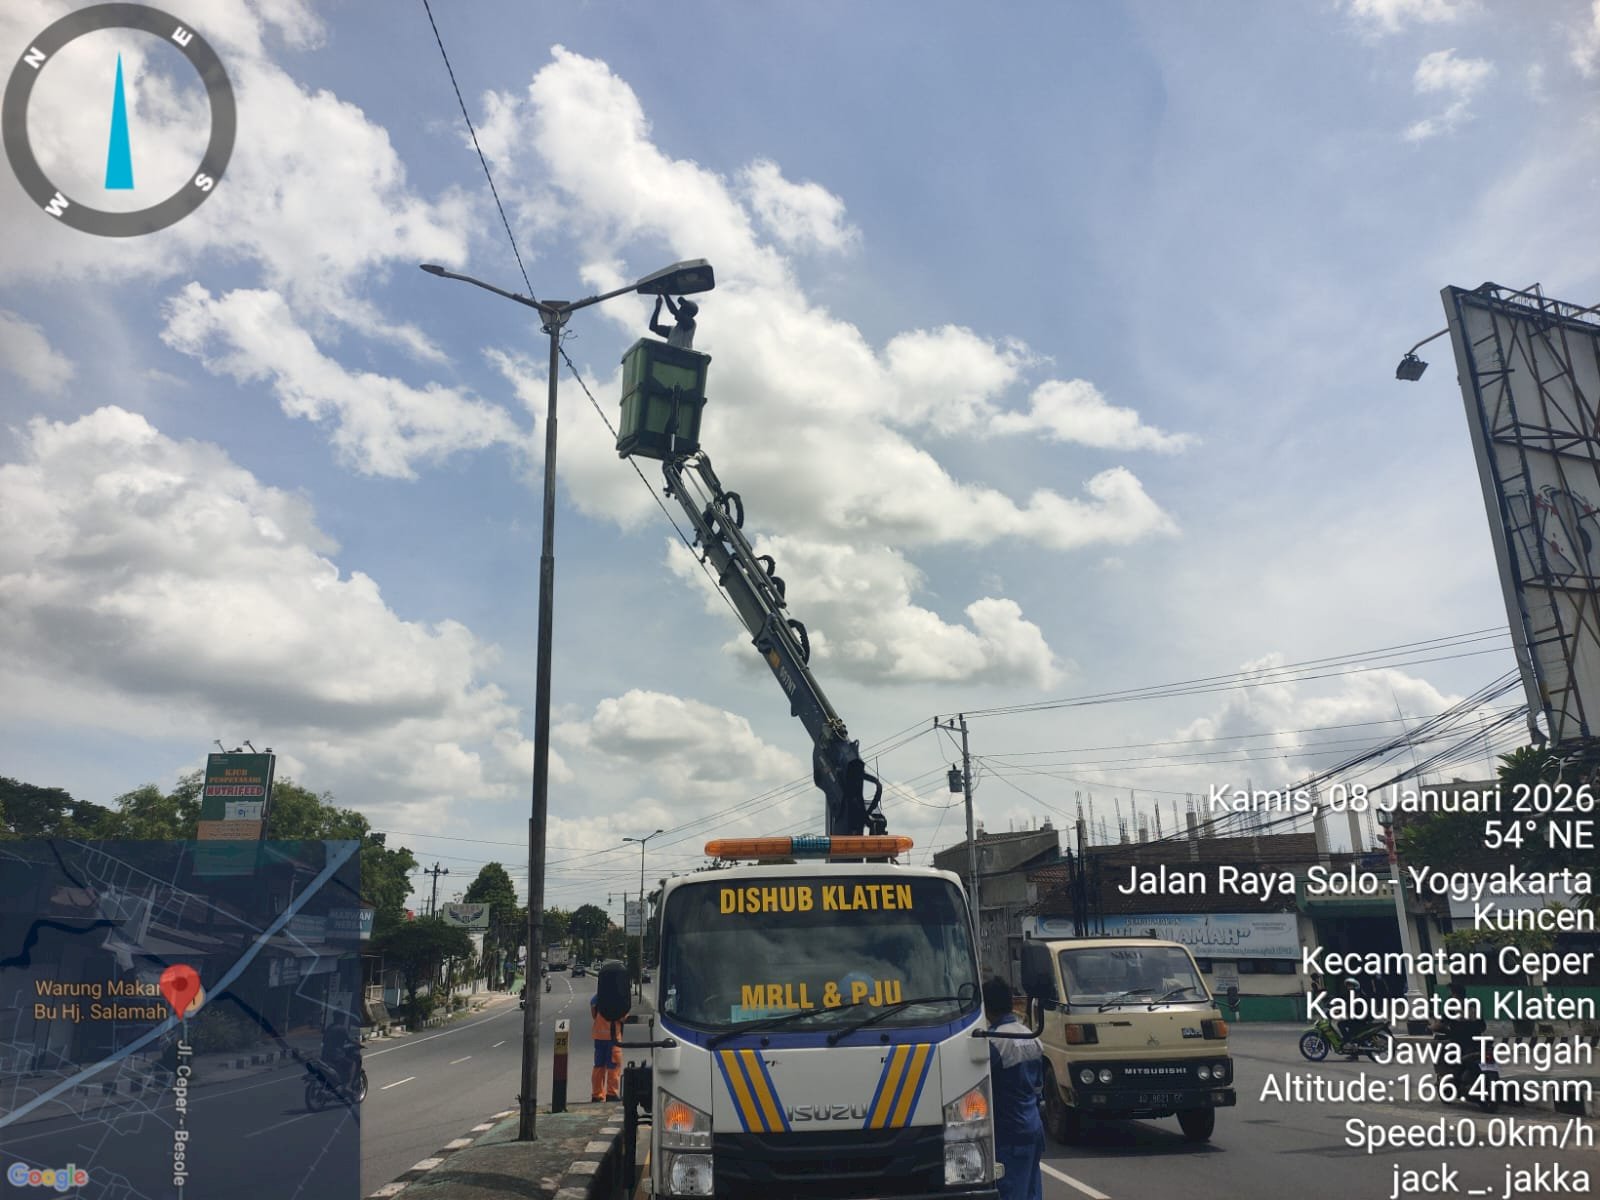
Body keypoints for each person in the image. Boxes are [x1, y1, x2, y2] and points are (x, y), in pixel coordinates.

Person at [983, 978, 1043, 1200]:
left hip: (1009, 1130)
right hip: (1034, 1125)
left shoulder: (995, 1042)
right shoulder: (1030, 1036)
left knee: (1010, 1190)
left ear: (985, 1006)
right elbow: (1039, 1087)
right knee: (1032, 1188)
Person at [591, 993, 626, 1101]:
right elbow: (623, 1017)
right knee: (613, 1066)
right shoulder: (618, 996)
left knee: (599, 1066)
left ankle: (597, 1095)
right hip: (613, 1036)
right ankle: (611, 1093)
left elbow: (593, 1010)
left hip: (599, 1035)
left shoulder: (598, 996)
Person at [320, 1015, 359, 1093]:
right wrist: (358, 1042)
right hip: (336, 1055)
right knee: (353, 1064)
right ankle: (348, 1085)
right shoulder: (342, 1028)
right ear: (341, 1019)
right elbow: (350, 1040)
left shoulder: (329, 1027)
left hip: (324, 1054)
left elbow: (324, 1040)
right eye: (343, 1018)